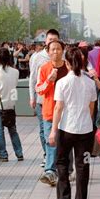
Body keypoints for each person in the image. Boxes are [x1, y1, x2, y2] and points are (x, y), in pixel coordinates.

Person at [48, 47, 96, 199]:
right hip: (85, 130)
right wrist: (86, 120)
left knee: (62, 162)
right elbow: (91, 107)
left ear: (67, 63)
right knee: (83, 165)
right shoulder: (90, 82)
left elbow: (58, 108)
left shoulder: (62, 83)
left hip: (66, 128)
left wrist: (53, 131)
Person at [36, 39, 69, 186]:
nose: (55, 52)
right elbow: (40, 89)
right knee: (51, 142)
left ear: (63, 51)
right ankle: (50, 171)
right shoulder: (44, 68)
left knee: (66, 143)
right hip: (50, 111)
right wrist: (49, 81)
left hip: (68, 112)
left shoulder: (69, 68)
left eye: (58, 49)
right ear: (48, 52)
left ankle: (66, 169)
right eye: (52, 49)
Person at [29, 29, 60, 168]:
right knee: (44, 131)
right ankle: (47, 157)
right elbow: (33, 79)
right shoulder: (37, 57)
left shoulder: (63, 58)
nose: (53, 43)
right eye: (50, 40)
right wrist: (32, 97)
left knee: (57, 133)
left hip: (60, 104)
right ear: (45, 42)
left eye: (55, 40)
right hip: (43, 101)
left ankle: (54, 161)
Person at [0, 48, 23, 162]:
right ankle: (19, 153)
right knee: (13, 130)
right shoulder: (16, 72)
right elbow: (14, 87)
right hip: (10, 106)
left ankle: (3, 154)